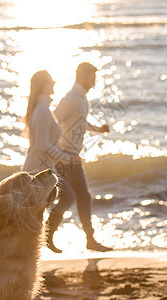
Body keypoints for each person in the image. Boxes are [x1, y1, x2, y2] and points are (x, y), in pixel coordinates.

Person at [46, 62, 112, 253]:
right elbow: (53, 122)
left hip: (73, 156)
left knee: (78, 197)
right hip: (65, 158)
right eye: (92, 78)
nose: (94, 82)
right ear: (83, 78)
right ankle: (49, 236)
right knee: (75, 197)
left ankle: (84, 239)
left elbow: (80, 121)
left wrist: (97, 129)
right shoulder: (71, 99)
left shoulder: (82, 99)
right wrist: (57, 154)